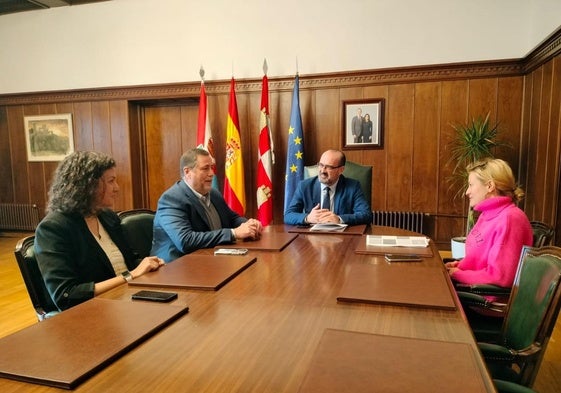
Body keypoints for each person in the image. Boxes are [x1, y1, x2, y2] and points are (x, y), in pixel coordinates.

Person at [35, 151, 164, 311]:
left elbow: (131, 261)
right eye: (111, 181)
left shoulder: (107, 217)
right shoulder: (53, 228)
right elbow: (66, 295)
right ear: (87, 186)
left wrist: (152, 265)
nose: (116, 188)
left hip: (127, 302)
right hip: (93, 314)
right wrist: (130, 276)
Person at [151, 148, 263, 262]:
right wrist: (233, 233)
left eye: (211, 168)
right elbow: (185, 241)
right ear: (187, 172)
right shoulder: (171, 199)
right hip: (176, 268)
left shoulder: (213, 193)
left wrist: (249, 224)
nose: (212, 173)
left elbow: (232, 218)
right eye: (205, 169)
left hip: (209, 260)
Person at [445, 158, 533, 288]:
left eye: (471, 185)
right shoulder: (486, 215)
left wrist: (458, 274)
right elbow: (481, 259)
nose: (467, 192)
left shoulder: (510, 219)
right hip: (471, 290)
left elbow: (499, 276)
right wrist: (460, 266)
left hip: (484, 301)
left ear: (490, 186)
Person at [284, 149, 373, 226]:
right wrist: (307, 218)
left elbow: (366, 215)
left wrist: (339, 219)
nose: (322, 171)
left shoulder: (353, 187)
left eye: (329, 167)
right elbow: (288, 215)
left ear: (341, 170)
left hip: (343, 237)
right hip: (312, 237)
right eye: (321, 165)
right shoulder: (304, 186)